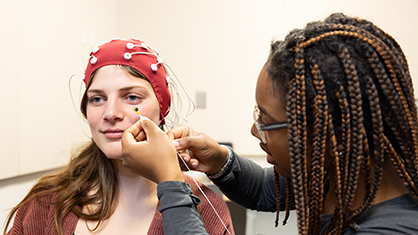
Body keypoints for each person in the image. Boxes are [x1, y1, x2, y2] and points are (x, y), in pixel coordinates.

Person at [121, 13, 418, 235]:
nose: (255, 131)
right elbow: (266, 190)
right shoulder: (340, 174)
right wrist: (220, 161)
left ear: (333, 136)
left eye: (266, 122)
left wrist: (170, 183)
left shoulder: (390, 228)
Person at [3, 38, 234, 235]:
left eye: (132, 97)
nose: (111, 113)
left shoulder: (205, 210)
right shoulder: (45, 205)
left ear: (162, 109)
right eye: (97, 99)